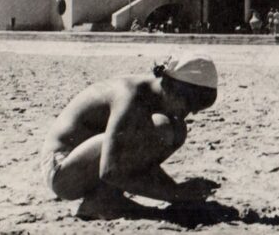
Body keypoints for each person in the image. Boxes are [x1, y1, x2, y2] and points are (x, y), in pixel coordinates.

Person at [40, 54, 220, 219]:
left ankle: (105, 198)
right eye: (191, 103)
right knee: (157, 129)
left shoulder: (155, 94)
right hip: (62, 172)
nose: (193, 111)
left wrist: (177, 192)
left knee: (173, 128)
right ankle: (101, 201)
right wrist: (177, 195)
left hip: (85, 163)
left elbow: (138, 159)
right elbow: (110, 170)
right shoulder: (131, 96)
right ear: (171, 86)